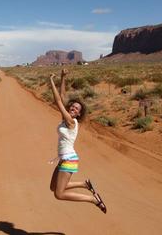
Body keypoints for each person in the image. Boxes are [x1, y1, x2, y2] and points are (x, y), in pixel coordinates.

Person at [49, 69, 107, 214]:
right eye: (72, 106)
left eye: (76, 108)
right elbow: (62, 98)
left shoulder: (71, 122)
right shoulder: (66, 119)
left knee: (59, 194)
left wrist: (51, 81)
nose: (73, 108)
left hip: (69, 159)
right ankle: (84, 183)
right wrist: (62, 78)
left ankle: (93, 200)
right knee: (53, 187)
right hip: (64, 159)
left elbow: (57, 101)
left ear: (79, 113)